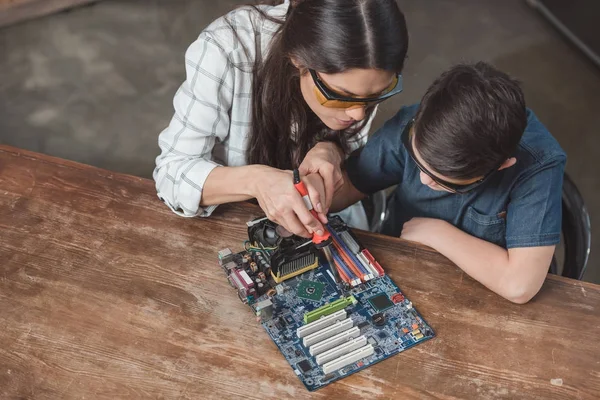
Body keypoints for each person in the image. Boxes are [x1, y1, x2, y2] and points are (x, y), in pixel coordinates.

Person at [153, 0, 408, 238]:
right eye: (342, 96)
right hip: (225, 223)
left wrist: (332, 148)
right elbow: (172, 173)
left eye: (375, 96)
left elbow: (353, 147)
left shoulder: (368, 66)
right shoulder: (227, 49)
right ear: (298, 60)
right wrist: (257, 181)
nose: (358, 114)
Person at [331, 62, 566, 304]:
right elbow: (350, 185)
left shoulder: (538, 166)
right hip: (401, 267)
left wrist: (437, 234)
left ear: (501, 165)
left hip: (485, 294)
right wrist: (313, 191)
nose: (424, 180)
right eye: (419, 163)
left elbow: (519, 286)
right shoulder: (418, 125)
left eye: (447, 182)